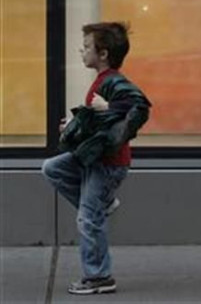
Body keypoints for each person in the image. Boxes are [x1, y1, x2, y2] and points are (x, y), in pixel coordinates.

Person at [41, 22, 151, 295]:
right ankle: (102, 205)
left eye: (88, 47)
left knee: (88, 220)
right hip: (95, 159)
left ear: (103, 54)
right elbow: (102, 121)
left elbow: (139, 106)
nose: (82, 51)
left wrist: (109, 107)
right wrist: (77, 123)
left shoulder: (114, 80)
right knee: (53, 168)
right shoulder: (103, 81)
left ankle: (99, 277)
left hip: (108, 164)